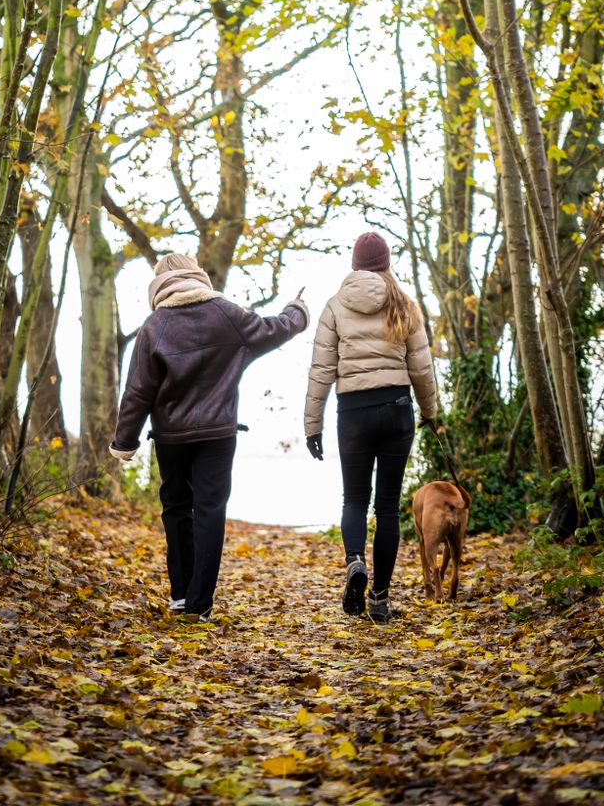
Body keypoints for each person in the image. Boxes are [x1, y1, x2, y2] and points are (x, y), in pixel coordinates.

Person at [111, 252, 308, 619]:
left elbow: (137, 391)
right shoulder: (227, 314)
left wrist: (125, 442)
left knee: (176, 508)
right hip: (218, 434)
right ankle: (200, 603)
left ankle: (181, 594)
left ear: (160, 283)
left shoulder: (154, 326)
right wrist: (296, 309)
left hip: (171, 437)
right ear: (197, 274)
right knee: (210, 511)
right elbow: (274, 329)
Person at [304, 230, 437, 623]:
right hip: (396, 409)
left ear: (355, 262)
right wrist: (429, 410)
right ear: (386, 262)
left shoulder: (334, 306)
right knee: (389, 508)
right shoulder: (403, 303)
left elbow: (321, 370)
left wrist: (313, 426)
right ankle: (379, 598)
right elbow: (422, 367)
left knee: (354, 500)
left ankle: (355, 562)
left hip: (354, 412)